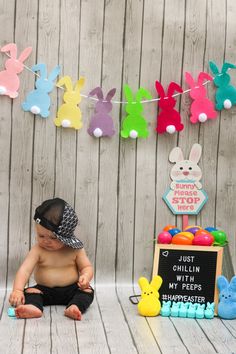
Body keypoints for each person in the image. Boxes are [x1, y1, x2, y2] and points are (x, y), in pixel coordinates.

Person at [9, 198, 94, 320]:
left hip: (71, 289)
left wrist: (86, 277)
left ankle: (75, 306)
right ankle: (34, 307)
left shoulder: (75, 249)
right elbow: (25, 270)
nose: (46, 241)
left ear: (66, 237)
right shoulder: (38, 250)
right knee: (30, 292)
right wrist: (17, 290)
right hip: (43, 290)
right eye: (41, 235)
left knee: (88, 292)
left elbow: (87, 267)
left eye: (53, 238)